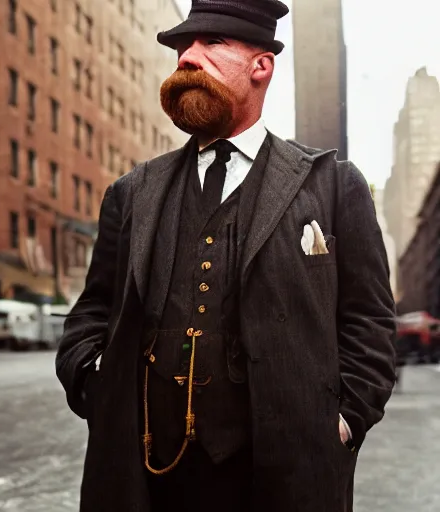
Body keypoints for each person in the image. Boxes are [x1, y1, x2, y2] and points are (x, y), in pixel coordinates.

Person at [56, 1, 396, 511]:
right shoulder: (132, 192)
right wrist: (94, 387)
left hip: (284, 477)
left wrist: (344, 422)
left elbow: (368, 321)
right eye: (182, 47)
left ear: (261, 66)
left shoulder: (332, 186)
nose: (187, 58)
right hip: (148, 479)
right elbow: (92, 311)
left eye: (211, 43)